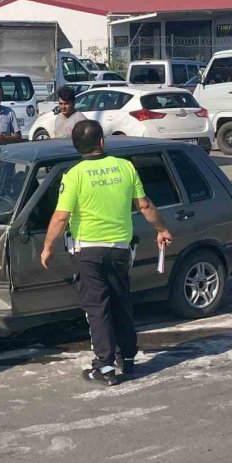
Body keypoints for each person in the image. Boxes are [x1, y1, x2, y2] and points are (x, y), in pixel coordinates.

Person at [40, 120, 173, 387]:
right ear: (102, 142)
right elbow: (145, 205)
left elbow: (61, 216)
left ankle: (103, 366)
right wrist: (162, 229)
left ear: (77, 146)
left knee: (97, 308)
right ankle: (128, 358)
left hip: (88, 250)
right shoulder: (125, 167)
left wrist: (47, 246)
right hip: (120, 250)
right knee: (121, 302)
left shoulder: (74, 175)